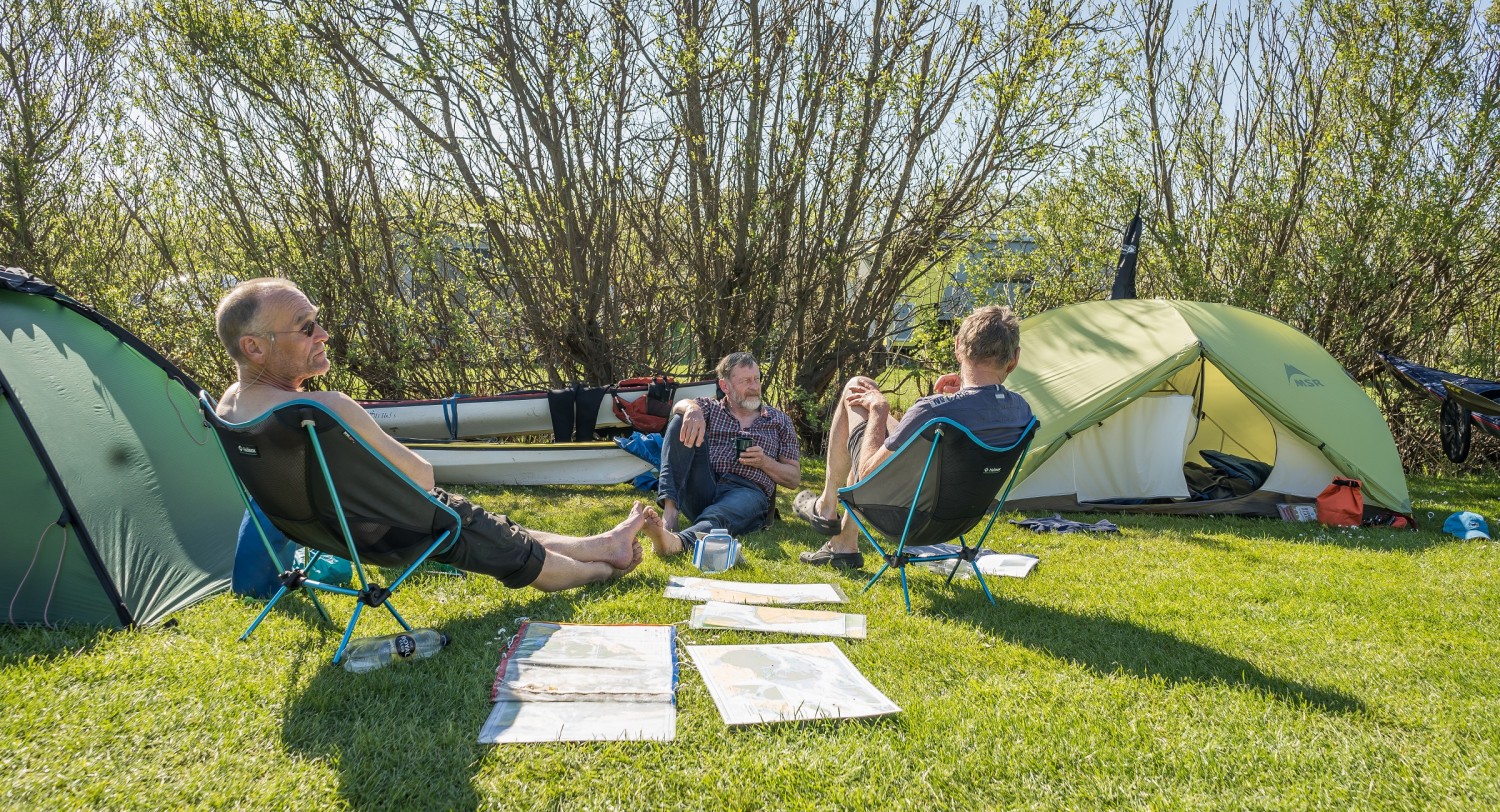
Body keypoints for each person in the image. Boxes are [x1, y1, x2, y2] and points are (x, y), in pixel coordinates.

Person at [213, 277, 644, 591]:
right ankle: (603, 568)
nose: (323, 335)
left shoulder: (229, 410)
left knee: (493, 527)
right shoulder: (320, 409)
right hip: (405, 529)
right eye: (306, 327)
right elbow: (422, 478)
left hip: (337, 533)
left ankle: (603, 543)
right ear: (254, 346)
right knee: (503, 543)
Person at [791, 304, 1034, 568]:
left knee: (858, 387)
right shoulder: (1022, 413)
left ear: (957, 347)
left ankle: (827, 508)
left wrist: (879, 411)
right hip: (959, 519)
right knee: (872, 398)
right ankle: (842, 546)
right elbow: (974, 412)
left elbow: (867, 471)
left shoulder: (933, 411)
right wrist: (962, 392)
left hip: (904, 516)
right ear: (1015, 358)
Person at [640, 352, 802, 558]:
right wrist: (691, 409)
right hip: (705, 485)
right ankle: (670, 515)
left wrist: (764, 462)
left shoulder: (779, 421)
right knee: (681, 420)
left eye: (756, 379)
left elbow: (794, 478)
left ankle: (676, 542)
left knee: (720, 515)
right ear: (725, 386)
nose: (754, 386)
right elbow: (680, 405)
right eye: (745, 381)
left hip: (748, 492)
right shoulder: (711, 408)